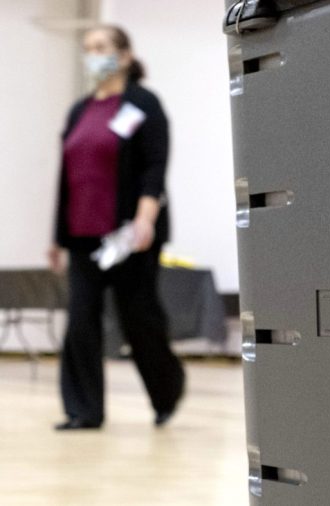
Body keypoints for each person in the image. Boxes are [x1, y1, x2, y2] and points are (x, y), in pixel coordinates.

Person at [48, 25, 185, 430]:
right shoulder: (80, 109)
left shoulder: (143, 103)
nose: (93, 54)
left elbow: (154, 167)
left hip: (129, 236)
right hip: (82, 235)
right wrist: (58, 238)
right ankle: (84, 410)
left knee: (139, 319)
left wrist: (144, 219)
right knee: (80, 321)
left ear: (124, 55)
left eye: (101, 47)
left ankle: (166, 391)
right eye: (88, 48)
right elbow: (67, 176)